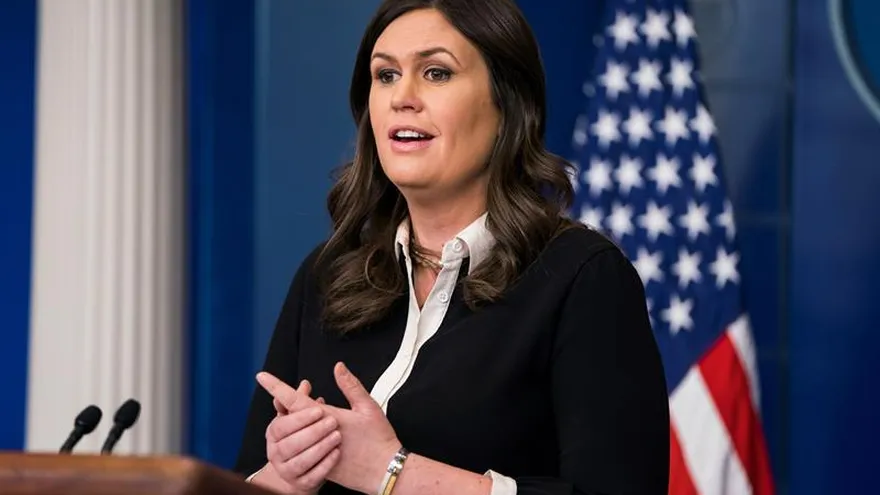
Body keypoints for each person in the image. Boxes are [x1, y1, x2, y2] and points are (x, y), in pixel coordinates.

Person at [234, 0, 670, 493]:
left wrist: (391, 472)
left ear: (508, 104)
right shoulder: (326, 275)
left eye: (436, 73)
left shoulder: (582, 277)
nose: (403, 96)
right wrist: (286, 474)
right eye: (385, 75)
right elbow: (247, 477)